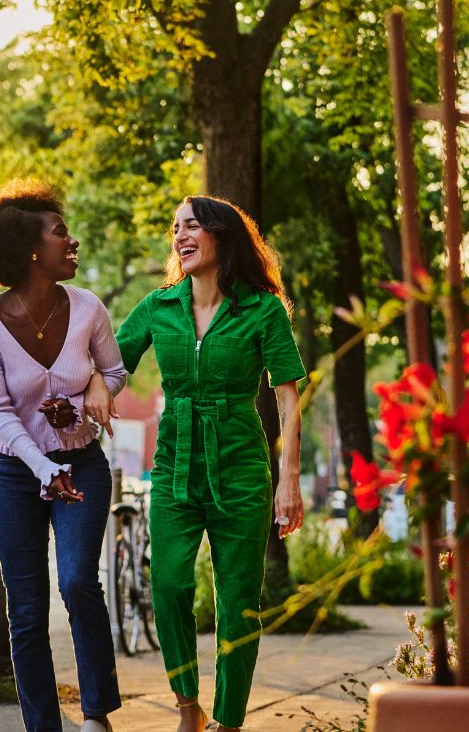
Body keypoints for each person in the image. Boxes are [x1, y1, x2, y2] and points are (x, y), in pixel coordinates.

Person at [116, 195, 307, 732]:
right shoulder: (159, 306)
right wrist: (92, 387)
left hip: (242, 469)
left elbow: (289, 398)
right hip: (175, 467)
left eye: (192, 225)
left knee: (239, 601)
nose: (180, 235)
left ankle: (227, 721)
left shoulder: (262, 309)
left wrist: (287, 481)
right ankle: (187, 707)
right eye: (175, 227)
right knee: (170, 585)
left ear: (221, 235)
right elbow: (110, 360)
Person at [0, 179, 124, 732]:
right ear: (32, 250)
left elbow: (116, 369)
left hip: (81, 464)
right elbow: (0, 412)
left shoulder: (87, 309)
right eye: (61, 233)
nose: (72, 240)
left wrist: (99, 389)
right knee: (27, 611)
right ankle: (42, 727)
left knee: (79, 581)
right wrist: (42, 467)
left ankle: (97, 715)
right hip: (12, 475)